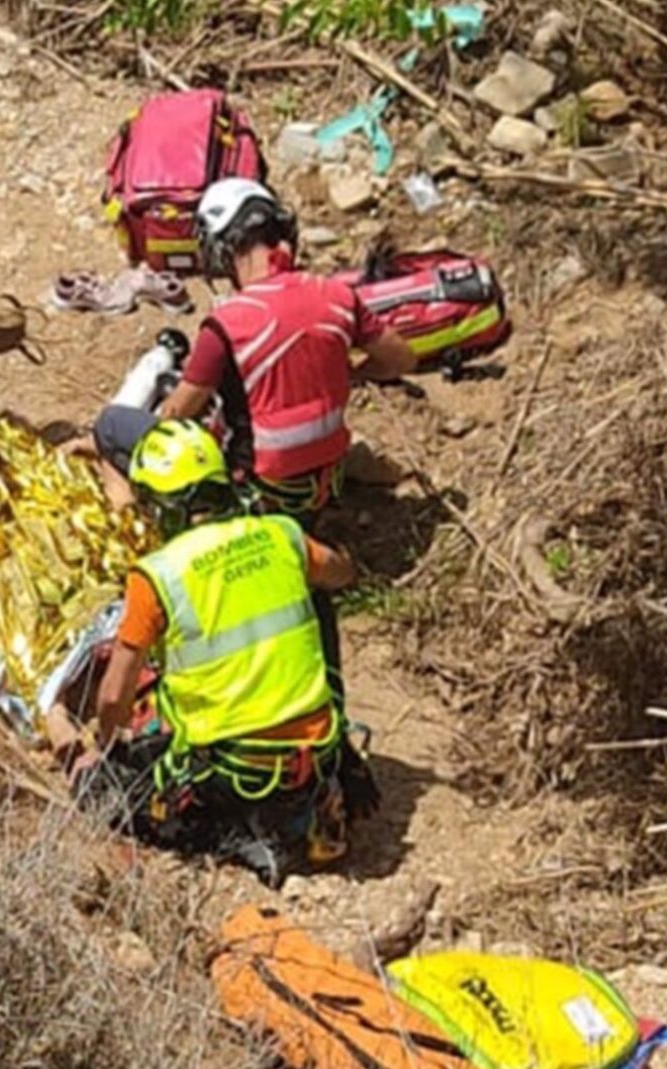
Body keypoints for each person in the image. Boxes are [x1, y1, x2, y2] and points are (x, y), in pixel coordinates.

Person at [76, 421, 376, 888]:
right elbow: (341, 574)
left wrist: (104, 746)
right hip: (313, 755)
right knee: (317, 595)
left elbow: (114, 695)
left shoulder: (157, 576)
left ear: (163, 506)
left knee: (100, 792)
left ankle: (234, 836)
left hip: (236, 772)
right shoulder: (281, 536)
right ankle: (321, 797)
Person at [92, 179, 419, 528]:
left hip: (257, 497)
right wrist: (345, 372)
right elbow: (402, 359)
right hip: (320, 488)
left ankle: (124, 505)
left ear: (220, 247)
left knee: (111, 425)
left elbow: (175, 416)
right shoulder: (336, 295)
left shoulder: (226, 324)